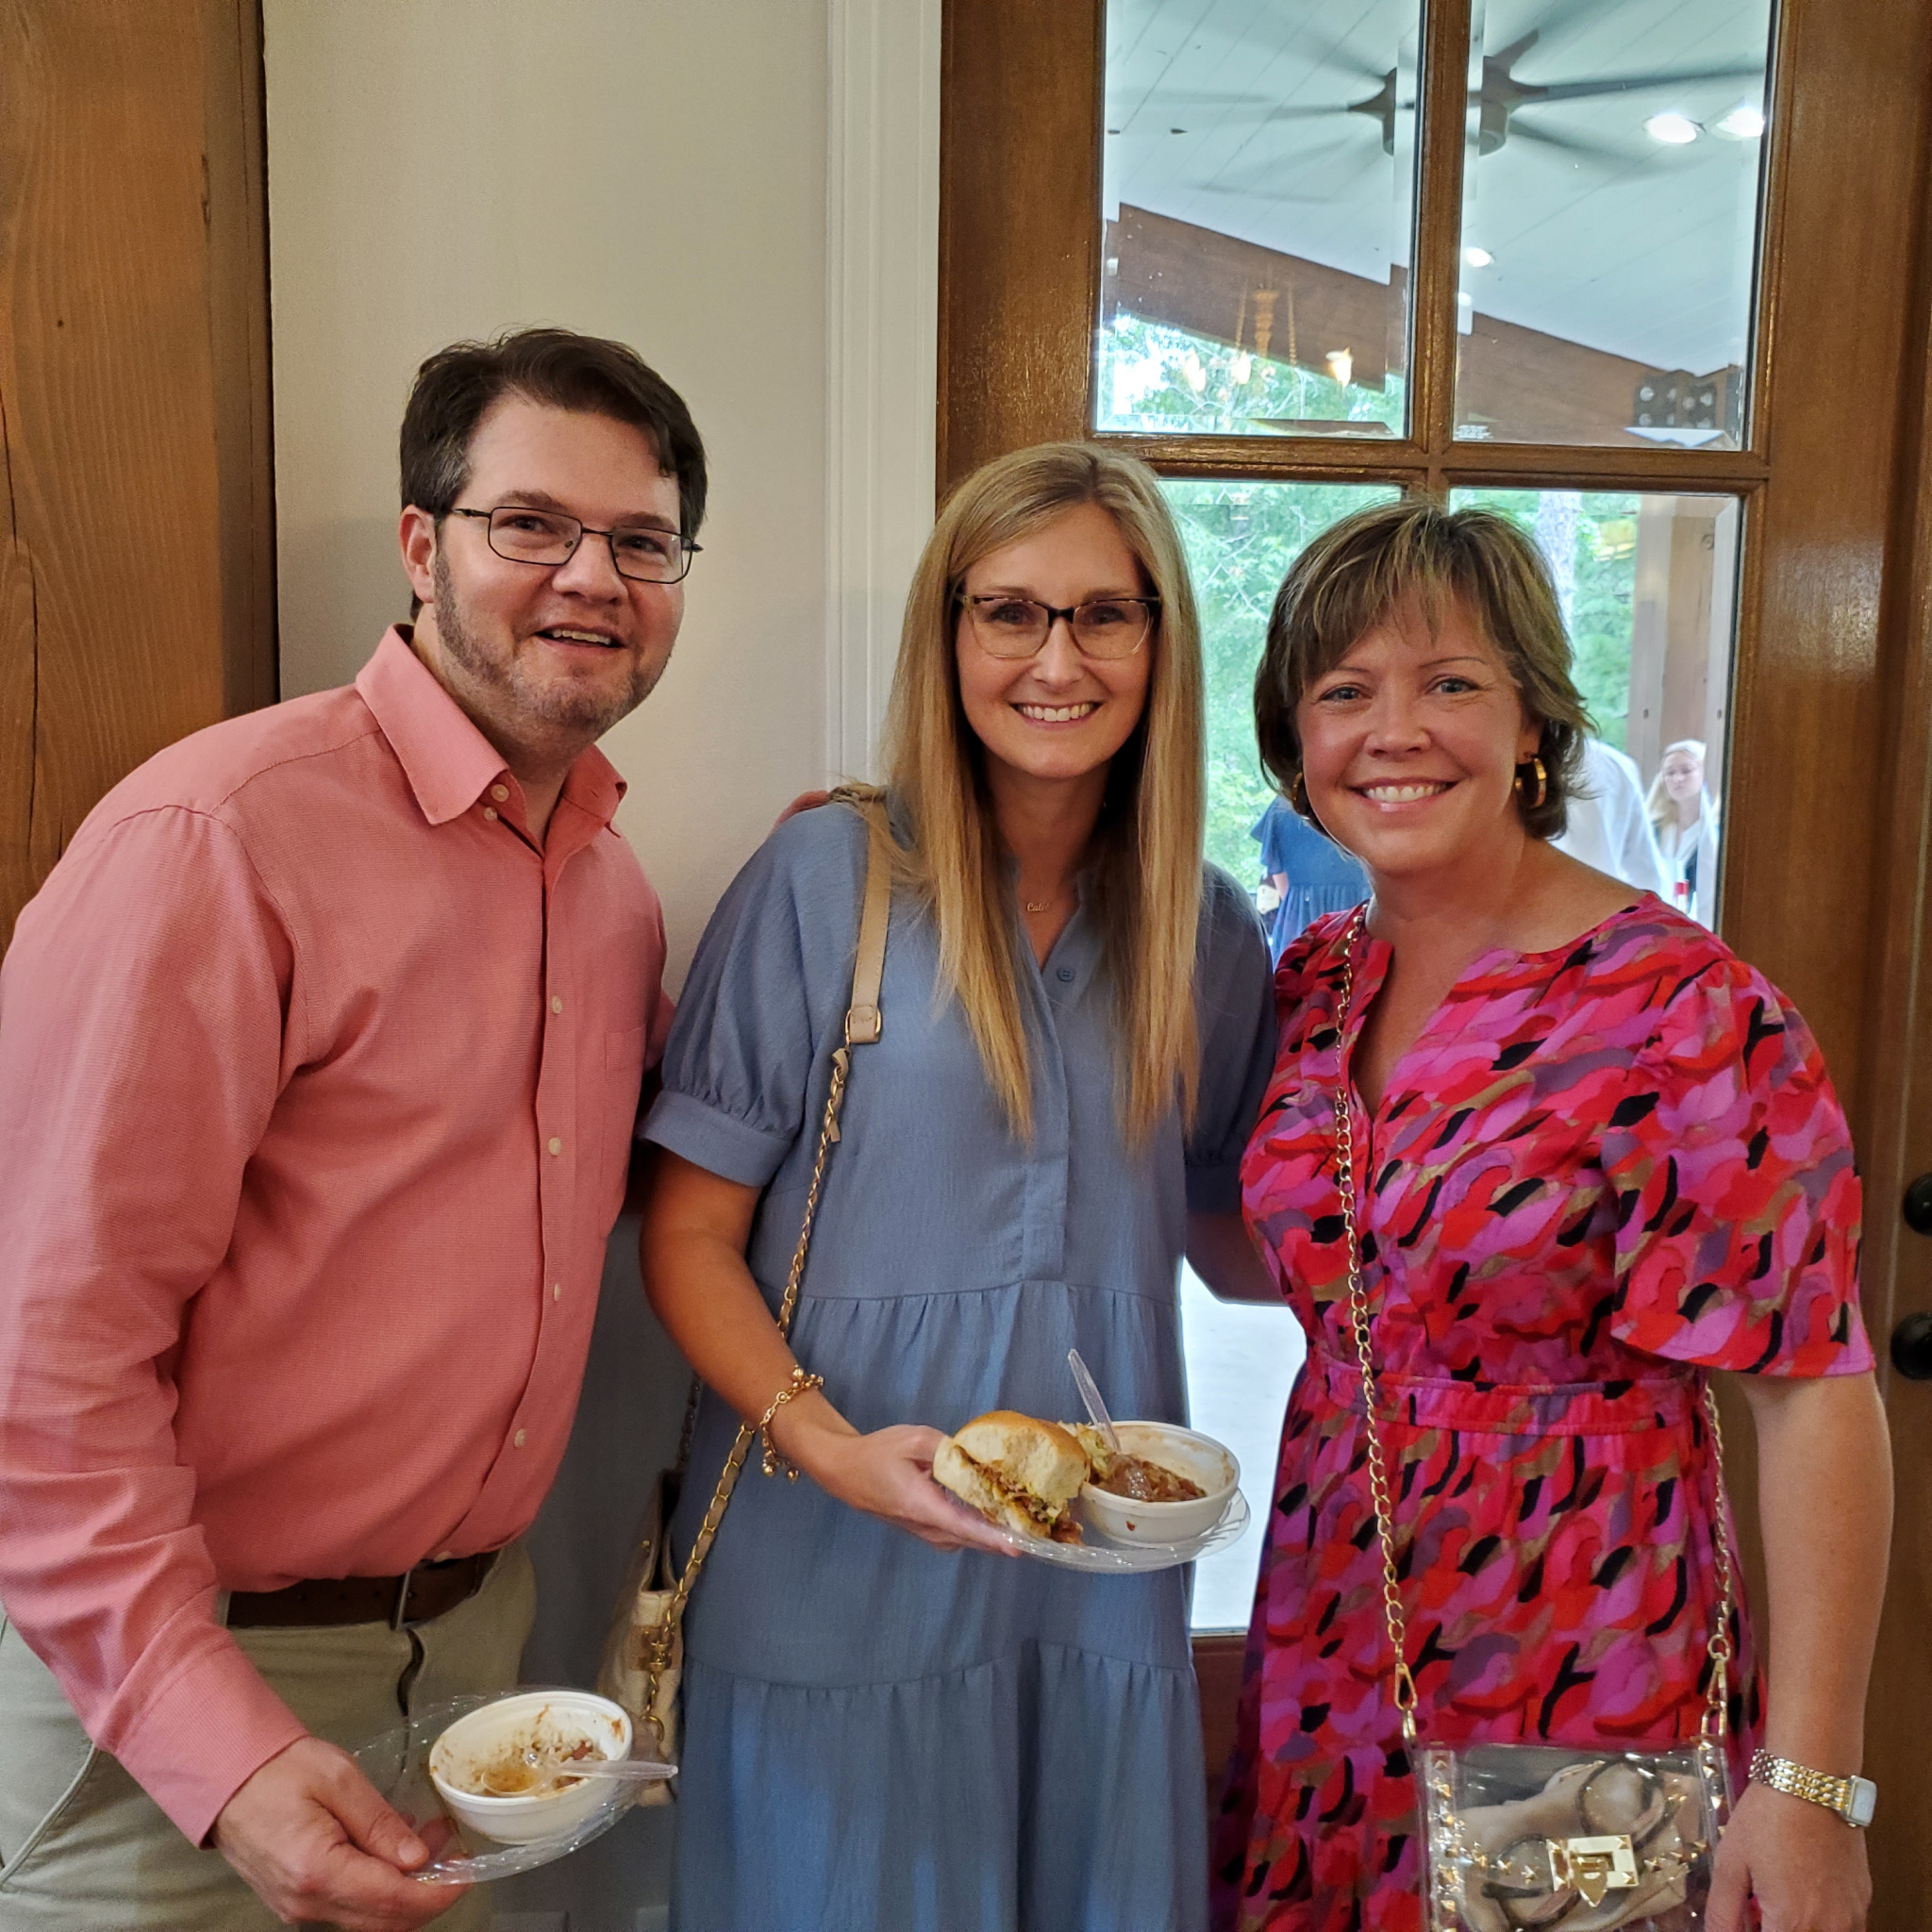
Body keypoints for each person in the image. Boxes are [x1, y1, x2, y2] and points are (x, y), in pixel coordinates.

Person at [0, 327, 705, 1932]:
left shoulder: (609, 895)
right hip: (164, 1693)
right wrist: (217, 1742)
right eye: (531, 522)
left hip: (472, 1679)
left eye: (642, 540)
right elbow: (41, 1359)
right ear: (420, 542)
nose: (591, 575)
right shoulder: (217, 839)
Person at [1212, 502, 1890, 1932]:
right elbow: (1305, 1260)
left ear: (1532, 723)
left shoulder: (1681, 1012)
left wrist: (1812, 1779)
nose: (1394, 730)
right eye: (1345, 693)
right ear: (1298, 748)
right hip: (1335, 1630)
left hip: (1581, 1637)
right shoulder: (1314, 987)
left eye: (1449, 682)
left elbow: (1816, 1397)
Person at [637, 442, 1278, 1932]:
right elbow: (685, 1234)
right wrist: (835, 1448)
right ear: (950, 636)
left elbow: (1225, 1231)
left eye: (1104, 615)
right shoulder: (823, 878)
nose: (1058, 657)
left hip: (1097, 1572)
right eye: (1011, 613)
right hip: (831, 1546)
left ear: (1160, 642)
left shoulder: (1206, 929)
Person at [1250, 793, 1369, 964]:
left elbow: (1277, 871)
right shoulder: (1363, 798)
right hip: (1358, 913)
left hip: (1299, 918)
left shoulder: (1283, 804)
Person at [1551, 733, 1673, 898]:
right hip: (1605, 907)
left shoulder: (1523, 765)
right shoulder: (1617, 764)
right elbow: (1645, 871)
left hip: (1552, 906)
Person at [1647, 737, 1723, 924]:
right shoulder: (1654, 831)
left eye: (1686, 771)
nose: (1677, 779)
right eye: (1670, 773)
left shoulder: (1716, 834)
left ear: (1704, 773)